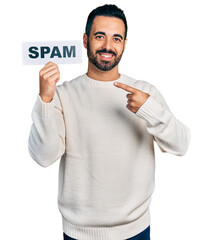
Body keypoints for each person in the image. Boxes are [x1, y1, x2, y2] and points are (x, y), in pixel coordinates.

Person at [28, 4, 190, 240]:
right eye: (99, 36)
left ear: (124, 44)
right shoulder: (61, 95)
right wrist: (45, 98)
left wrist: (149, 110)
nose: (107, 46)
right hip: (77, 233)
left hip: (136, 230)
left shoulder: (144, 92)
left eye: (116, 38)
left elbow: (181, 145)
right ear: (85, 40)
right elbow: (43, 156)